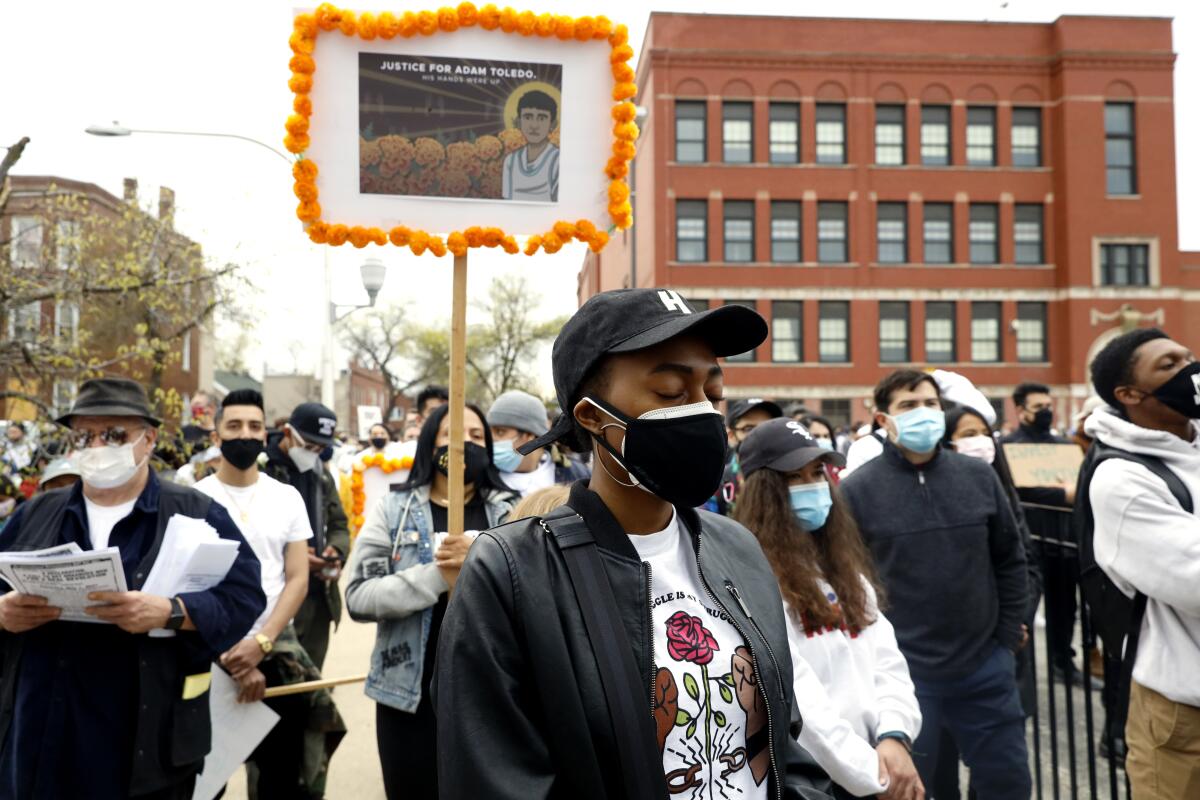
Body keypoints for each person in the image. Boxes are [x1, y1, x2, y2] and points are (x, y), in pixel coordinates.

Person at [435, 288, 832, 800]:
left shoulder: (738, 548)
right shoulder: (512, 570)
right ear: (592, 417)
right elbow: (490, 778)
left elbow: (781, 742)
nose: (703, 411)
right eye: (670, 390)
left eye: (712, 390)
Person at [0, 377, 265, 799]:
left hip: (145, 746)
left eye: (114, 434)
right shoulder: (38, 512)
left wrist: (170, 611)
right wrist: (3, 613)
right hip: (43, 741)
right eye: (85, 435)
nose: (98, 446)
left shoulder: (195, 513)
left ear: (148, 439)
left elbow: (244, 597)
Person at [839, 369, 1030, 800]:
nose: (923, 413)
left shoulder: (979, 476)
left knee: (1008, 782)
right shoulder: (856, 491)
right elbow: (851, 580)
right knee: (921, 790)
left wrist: (1004, 641)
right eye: (908, 406)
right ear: (883, 420)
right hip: (907, 678)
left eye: (930, 403)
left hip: (985, 669)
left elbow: (1010, 559)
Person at [735, 418, 924, 800]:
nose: (813, 487)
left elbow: (888, 662)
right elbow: (801, 703)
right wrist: (875, 775)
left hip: (883, 763)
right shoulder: (753, 580)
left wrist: (895, 735)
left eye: (817, 472)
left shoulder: (843, 570)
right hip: (821, 780)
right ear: (765, 491)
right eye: (795, 477)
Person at [345, 402, 514, 799]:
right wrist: (438, 575)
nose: (465, 444)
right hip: (409, 695)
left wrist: (481, 563)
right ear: (429, 444)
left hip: (488, 693)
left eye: (476, 437)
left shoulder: (509, 514)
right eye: (452, 435)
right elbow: (360, 596)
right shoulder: (394, 511)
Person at [1084, 328, 1200, 798]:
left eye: (1189, 356)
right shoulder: (1121, 479)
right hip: (1184, 714)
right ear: (1129, 395)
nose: (1189, 369)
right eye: (1169, 366)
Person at [194, 390, 326, 799]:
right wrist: (233, 654)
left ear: (265, 433)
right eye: (233, 426)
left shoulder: (286, 497)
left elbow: (297, 578)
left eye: (254, 426)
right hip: (211, 656)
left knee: (280, 780)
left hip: (275, 655)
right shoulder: (194, 499)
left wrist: (262, 642)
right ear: (216, 435)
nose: (245, 434)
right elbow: (190, 585)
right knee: (203, 782)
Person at [933, 404, 1044, 800]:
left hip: (1000, 649)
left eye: (984, 431)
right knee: (938, 768)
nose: (979, 441)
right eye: (967, 432)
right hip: (939, 663)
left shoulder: (999, 486)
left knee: (999, 771)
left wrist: (1014, 623)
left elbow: (1023, 563)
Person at [1001, 381, 1086, 686]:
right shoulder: (1009, 447)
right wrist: (1064, 494)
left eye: (1048, 407)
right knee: (1024, 609)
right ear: (1021, 411)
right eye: (1039, 408)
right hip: (1029, 540)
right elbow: (1019, 489)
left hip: (1063, 539)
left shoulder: (1065, 447)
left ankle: (1064, 663)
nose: (1046, 412)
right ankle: (1017, 671)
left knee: (1065, 609)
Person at [262, 402, 349, 671]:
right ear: (288, 433)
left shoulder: (321, 475)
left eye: (322, 448)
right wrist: (295, 557)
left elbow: (339, 523)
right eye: (310, 446)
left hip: (317, 594)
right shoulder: (263, 471)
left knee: (311, 679)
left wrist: (336, 551)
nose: (315, 453)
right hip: (276, 594)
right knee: (278, 679)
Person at [487, 389, 589, 496]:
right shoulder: (480, 479)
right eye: (488, 432)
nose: (489, 439)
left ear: (529, 435)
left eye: (500, 432)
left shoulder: (578, 474)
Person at [709, 398, 783, 514]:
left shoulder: (789, 476)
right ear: (731, 436)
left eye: (768, 427)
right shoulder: (716, 483)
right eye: (749, 429)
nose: (760, 434)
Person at [502, 89, 560, 202]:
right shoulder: (511, 161)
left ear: (552, 124)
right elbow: (506, 204)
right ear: (519, 122)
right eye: (528, 117)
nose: (534, 125)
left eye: (542, 118)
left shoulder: (556, 160)